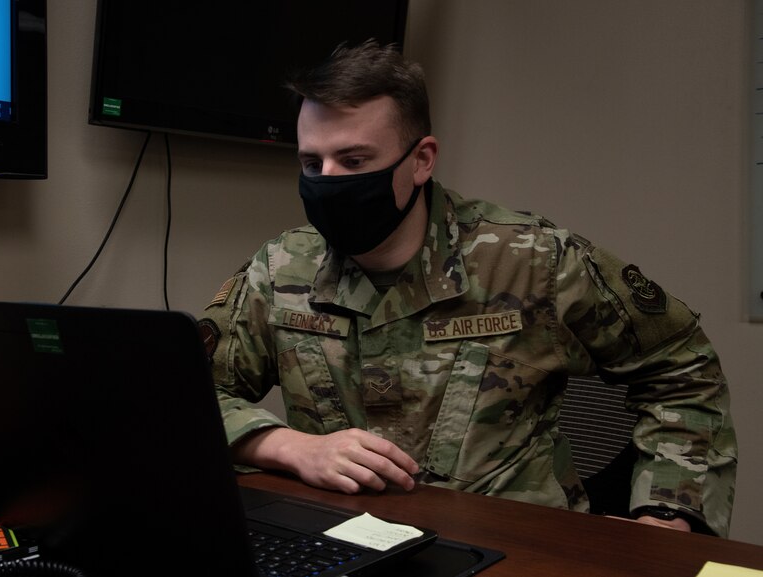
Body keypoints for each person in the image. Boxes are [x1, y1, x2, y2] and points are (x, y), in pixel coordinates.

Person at [198, 40, 737, 537]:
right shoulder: (281, 268)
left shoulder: (534, 261)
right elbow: (184, 396)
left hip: (514, 543)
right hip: (341, 539)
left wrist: (668, 513)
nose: (328, 180)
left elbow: (682, 371)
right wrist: (286, 445)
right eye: (312, 163)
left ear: (421, 160)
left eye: (355, 160)